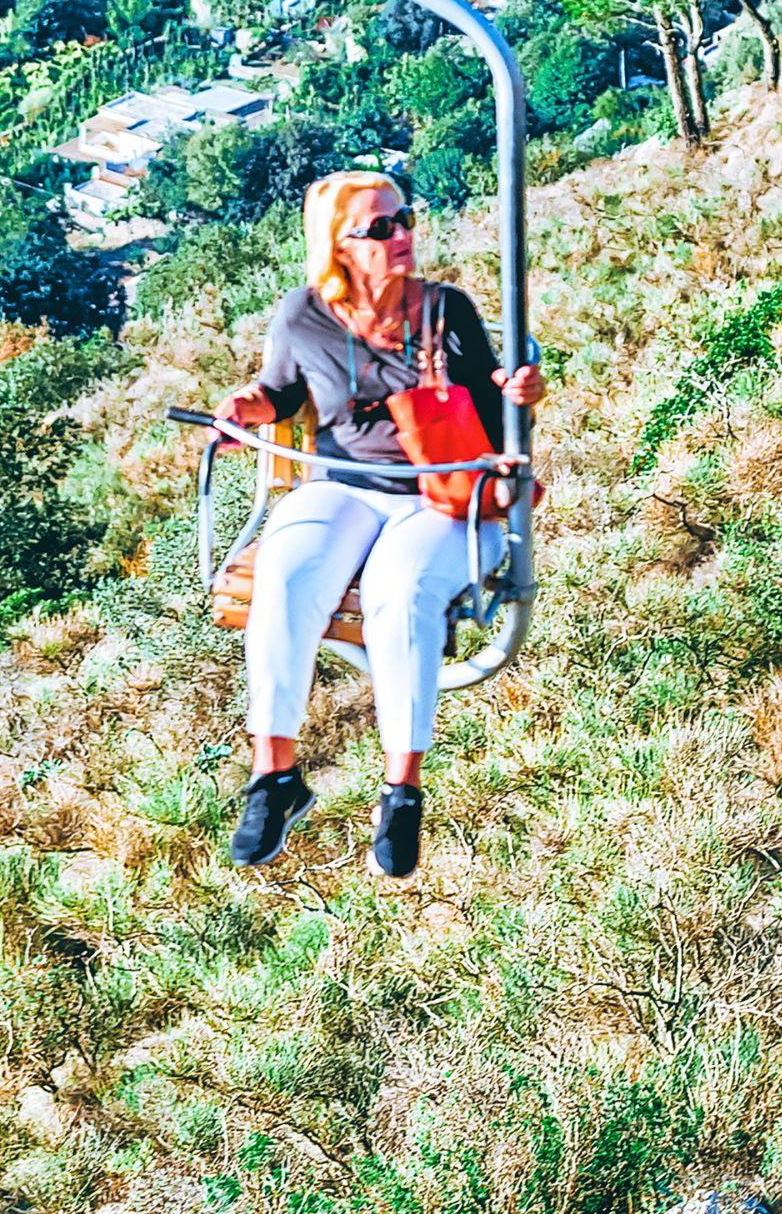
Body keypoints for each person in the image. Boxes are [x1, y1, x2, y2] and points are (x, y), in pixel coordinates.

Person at [213, 169, 544, 880]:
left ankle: (402, 790)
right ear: (340, 246)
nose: (404, 236)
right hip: (347, 486)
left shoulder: (444, 311)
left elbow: (493, 411)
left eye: (405, 220)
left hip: (441, 490)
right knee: (288, 571)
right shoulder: (303, 316)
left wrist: (520, 394)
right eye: (382, 227)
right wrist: (246, 411)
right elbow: (279, 392)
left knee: (402, 588)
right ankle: (275, 777)